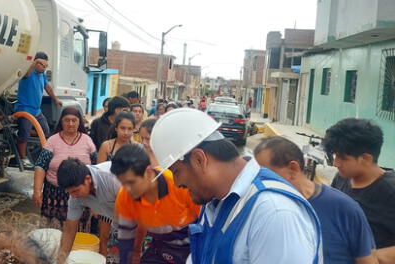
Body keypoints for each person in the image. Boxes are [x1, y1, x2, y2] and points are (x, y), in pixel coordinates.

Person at [149, 108, 322, 264]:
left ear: (199, 160)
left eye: (176, 172)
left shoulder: (275, 213)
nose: (177, 184)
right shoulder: (213, 204)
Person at [255, 136, 377, 264]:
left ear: (293, 169)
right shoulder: (262, 208)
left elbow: (368, 260)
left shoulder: (344, 209)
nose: (258, 182)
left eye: (265, 175)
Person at [111, 144, 200, 263]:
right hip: (160, 245)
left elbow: (206, 227)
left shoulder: (179, 184)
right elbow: (127, 242)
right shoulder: (125, 197)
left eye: (131, 182)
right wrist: (135, 254)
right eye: (123, 183)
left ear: (148, 172)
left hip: (192, 247)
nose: (127, 189)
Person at [324, 118, 395, 263]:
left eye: (342, 157)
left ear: (366, 158)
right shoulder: (342, 178)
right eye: (335, 155)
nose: (336, 163)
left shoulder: (390, 191)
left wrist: (366, 256)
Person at [32, 107, 96, 226]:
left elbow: (96, 167)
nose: (70, 124)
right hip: (54, 195)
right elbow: (40, 166)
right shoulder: (52, 141)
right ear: (61, 121)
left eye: (74, 120)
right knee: (53, 229)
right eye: (67, 120)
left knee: (77, 228)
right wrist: (37, 190)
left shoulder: (87, 141)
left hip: (80, 194)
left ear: (79, 122)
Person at [56, 158, 121, 263]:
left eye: (76, 191)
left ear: (88, 179)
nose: (73, 196)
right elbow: (69, 231)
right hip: (118, 222)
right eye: (70, 192)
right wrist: (60, 261)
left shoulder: (112, 179)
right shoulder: (75, 197)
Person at [16, 51, 63, 169]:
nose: (45, 68)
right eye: (43, 65)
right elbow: (25, 73)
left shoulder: (42, 75)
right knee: (24, 137)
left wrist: (55, 99)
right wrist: (34, 62)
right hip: (25, 110)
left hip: (37, 111)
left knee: (45, 131)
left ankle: (19, 132)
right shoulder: (28, 72)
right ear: (36, 63)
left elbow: (47, 87)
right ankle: (22, 158)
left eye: (46, 66)